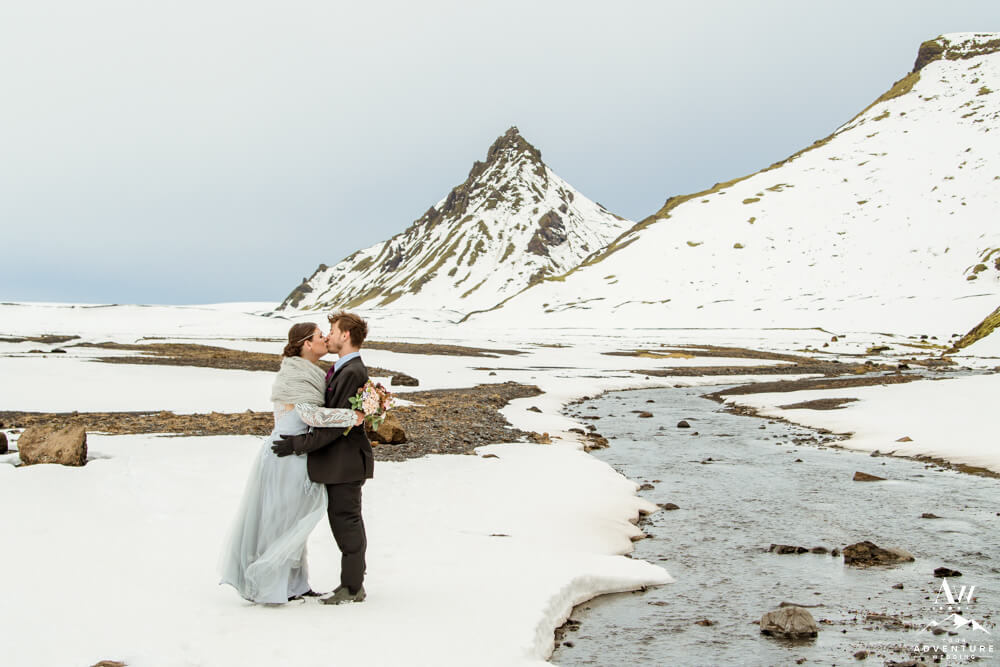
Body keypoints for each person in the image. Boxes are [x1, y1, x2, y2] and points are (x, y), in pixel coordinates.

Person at [218, 322, 363, 604]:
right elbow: (311, 415)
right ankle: (271, 585)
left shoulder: (308, 371)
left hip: (297, 452)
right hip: (286, 456)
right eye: (320, 336)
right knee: (282, 520)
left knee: (294, 520)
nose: (326, 339)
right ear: (307, 343)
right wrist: (352, 417)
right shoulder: (296, 374)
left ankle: (296, 584)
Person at [271, 311, 373, 605]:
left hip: (345, 462)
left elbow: (333, 426)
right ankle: (345, 584)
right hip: (336, 462)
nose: (328, 336)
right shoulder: (342, 368)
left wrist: (298, 444)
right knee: (341, 521)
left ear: (345, 335)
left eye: (332, 330)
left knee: (346, 522)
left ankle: (352, 587)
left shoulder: (351, 371)